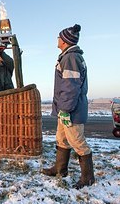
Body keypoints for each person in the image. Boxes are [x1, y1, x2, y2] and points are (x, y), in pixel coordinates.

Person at [41, 24, 95, 189]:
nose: (57, 39)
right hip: (65, 109)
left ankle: (88, 178)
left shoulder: (70, 58)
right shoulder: (67, 56)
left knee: (77, 141)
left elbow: (71, 87)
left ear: (65, 40)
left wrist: (65, 110)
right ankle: (60, 169)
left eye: (59, 37)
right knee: (62, 139)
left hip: (71, 110)